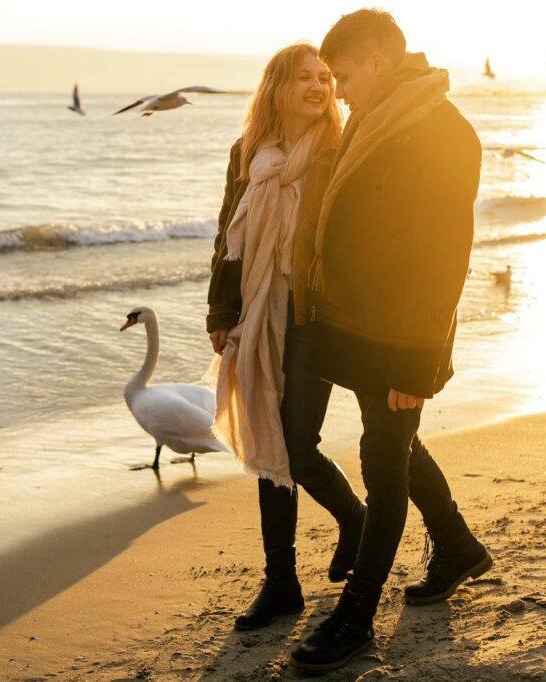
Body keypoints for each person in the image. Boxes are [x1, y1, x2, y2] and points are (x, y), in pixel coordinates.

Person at [289, 10, 492, 673]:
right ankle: (457, 546)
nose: (339, 90)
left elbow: (444, 257)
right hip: (364, 326)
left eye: (344, 75)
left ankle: (357, 616)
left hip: (402, 336)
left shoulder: (440, 130)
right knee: (398, 443)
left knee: (383, 468)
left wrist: (418, 360)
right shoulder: (381, 121)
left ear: (377, 62)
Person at [206, 42, 367, 632]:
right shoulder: (246, 153)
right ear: (277, 85)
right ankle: (281, 583)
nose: (319, 86)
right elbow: (228, 236)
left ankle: (355, 520)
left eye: (326, 76)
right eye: (304, 77)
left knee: (297, 446)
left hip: (314, 318)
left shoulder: (339, 150)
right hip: (257, 312)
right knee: (268, 447)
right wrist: (220, 312)